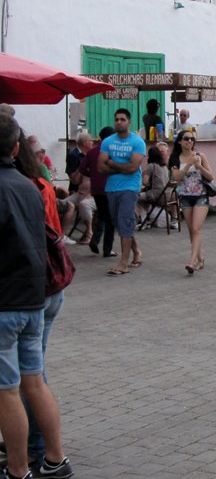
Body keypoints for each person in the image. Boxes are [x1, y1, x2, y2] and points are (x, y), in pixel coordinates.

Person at [0, 114, 73, 479]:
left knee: (8, 391)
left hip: (6, 301)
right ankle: (55, 460)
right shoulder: (32, 185)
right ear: (15, 148)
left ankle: (18, 469)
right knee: (34, 382)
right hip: (34, 297)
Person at [98, 108, 145, 276]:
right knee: (119, 223)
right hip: (112, 187)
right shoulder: (107, 142)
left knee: (124, 221)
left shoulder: (137, 142)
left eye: (122, 119)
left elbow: (133, 168)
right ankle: (136, 251)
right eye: (117, 119)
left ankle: (123, 263)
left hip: (130, 187)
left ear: (129, 122)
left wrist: (113, 163)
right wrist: (120, 167)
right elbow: (100, 167)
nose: (119, 122)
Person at [169, 129, 214, 275]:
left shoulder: (201, 156)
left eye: (192, 139)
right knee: (192, 230)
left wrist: (199, 165)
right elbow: (177, 178)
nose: (189, 141)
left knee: (196, 228)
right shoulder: (175, 158)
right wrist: (189, 164)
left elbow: (211, 176)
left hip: (201, 195)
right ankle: (200, 259)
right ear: (180, 141)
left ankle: (192, 262)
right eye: (186, 139)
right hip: (185, 196)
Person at [80, 126, 117, 257]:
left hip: (96, 189)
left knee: (102, 214)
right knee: (111, 218)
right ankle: (107, 249)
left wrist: (93, 176)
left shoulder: (91, 152)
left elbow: (83, 169)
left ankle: (94, 240)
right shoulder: (113, 152)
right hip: (111, 188)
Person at [65, 131, 96, 244]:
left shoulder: (96, 158)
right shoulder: (81, 158)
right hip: (80, 192)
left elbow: (101, 179)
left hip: (93, 194)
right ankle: (60, 233)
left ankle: (89, 233)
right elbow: (75, 180)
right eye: (91, 140)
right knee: (62, 204)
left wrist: (92, 192)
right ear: (86, 143)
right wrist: (82, 165)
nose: (92, 142)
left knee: (84, 204)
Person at [136, 146, 169, 227]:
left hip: (155, 195)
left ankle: (143, 220)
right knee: (144, 199)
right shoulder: (164, 166)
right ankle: (146, 219)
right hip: (166, 196)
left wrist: (149, 185)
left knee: (135, 197)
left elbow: (144, 181)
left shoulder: (151, 166)